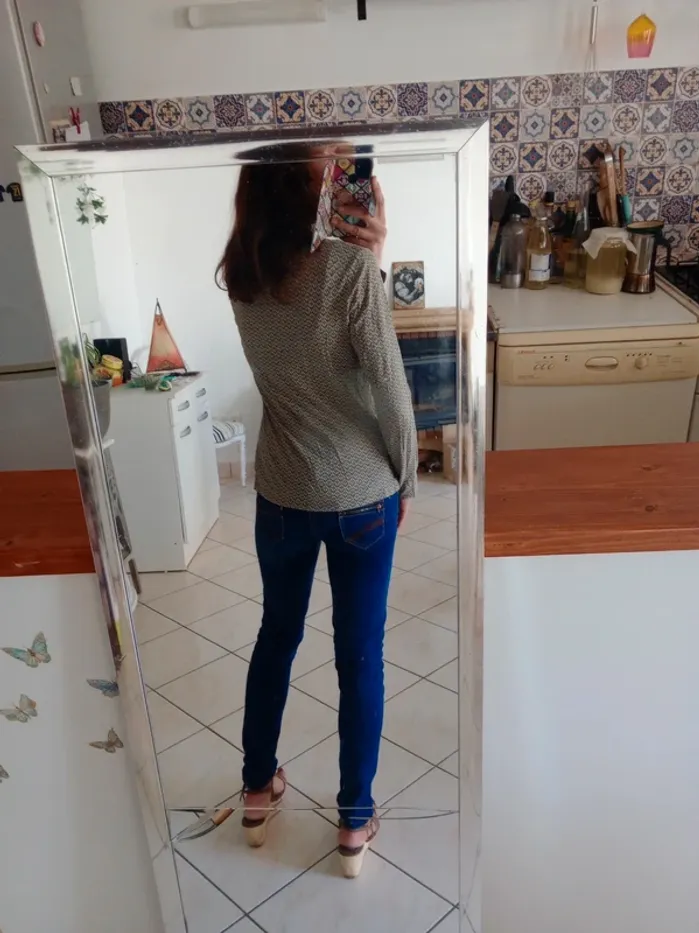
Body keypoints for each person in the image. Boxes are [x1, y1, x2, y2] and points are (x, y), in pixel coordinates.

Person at [216, 145, 417, 879]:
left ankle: (257, 791)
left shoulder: (242, 278)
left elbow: (301, 354)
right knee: (359, 653)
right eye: (323, 169)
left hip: (282, 490)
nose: (336, 175)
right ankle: (355, 820)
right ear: (306, 189)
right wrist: (406, 482)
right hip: (361, 494)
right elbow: (389, 392)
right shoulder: (350, 270)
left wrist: (368, 265)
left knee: (276, 637)